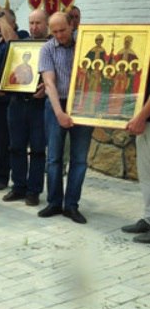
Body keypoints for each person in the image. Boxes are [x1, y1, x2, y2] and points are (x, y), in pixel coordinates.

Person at [38, 12, 93, 224]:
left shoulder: (84, 44)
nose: (59, 35)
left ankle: (71, 205)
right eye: (55, 31)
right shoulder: (47, 49)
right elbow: (49, 83)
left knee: (79, 159)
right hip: (56, 103)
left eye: (63, 30)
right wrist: (59, 113)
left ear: (72, 25)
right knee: (54, 157)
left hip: (83, 105)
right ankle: (53, 202)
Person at [2, 9, 48, 207]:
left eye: (38, 23)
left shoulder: (51, 46)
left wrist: (47, 86)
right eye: (31, 23)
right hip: (17, 102)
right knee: (15, 147)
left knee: (38, 149)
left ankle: (34, 190)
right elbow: (10, 70)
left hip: (39, 106)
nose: (34, 27)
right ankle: (18, 186)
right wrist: (3, 81)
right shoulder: (20, 45)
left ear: (46, 24)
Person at [0, 5, 29, 191]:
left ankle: (2, 175)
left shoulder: (22, 35)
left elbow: (13, 44)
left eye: (2, 20)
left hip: (7, 98)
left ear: (13, 22)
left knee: (3, 139)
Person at [124, 81, 150, 244]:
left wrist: (141, 116)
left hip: (145, 116)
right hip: (145, 121)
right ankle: (148, 218)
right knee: (146, 173)